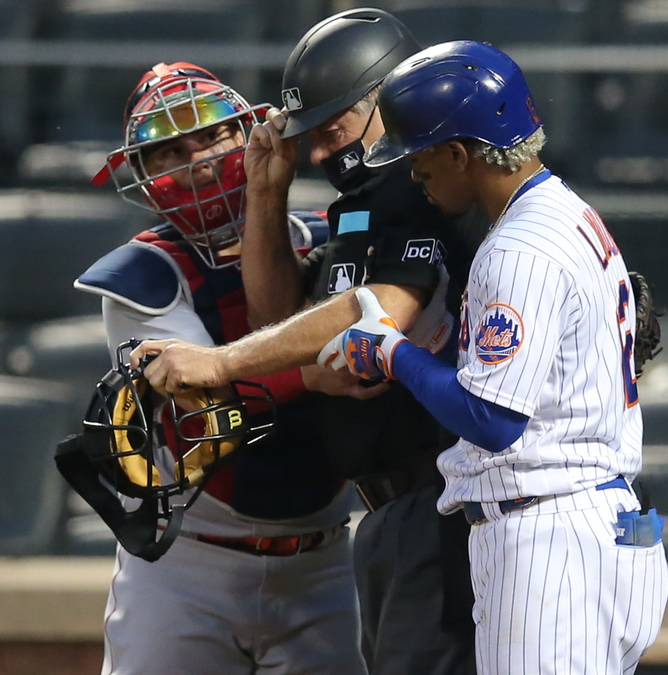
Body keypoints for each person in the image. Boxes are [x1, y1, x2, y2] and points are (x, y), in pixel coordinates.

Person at [132, 9, 483, 675]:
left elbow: (378, 310)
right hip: (385, 514)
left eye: (332, 130)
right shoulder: (358, 205)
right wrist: (268, 194)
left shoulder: (425, 185)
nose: (320, 152)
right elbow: (279, 318)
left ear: (386, 99)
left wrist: (223, 360)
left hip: (443, 503)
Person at [323, 42, 668, 675]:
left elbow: (491, 419)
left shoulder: (517, 248)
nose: (414, 174)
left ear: (459, 153)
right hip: (601, 521)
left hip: (549, 541)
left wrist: (393, 352)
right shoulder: (571, 213)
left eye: (421, 157)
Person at [78, 62, 368, 675]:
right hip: (188, 568)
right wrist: (314, 371)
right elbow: (209, 402)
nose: (199, 161)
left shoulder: (332, 238)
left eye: (211, 136)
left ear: (250, 131)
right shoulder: (138, 276)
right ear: (141, 174)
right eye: (169, 151)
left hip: (328, 559)